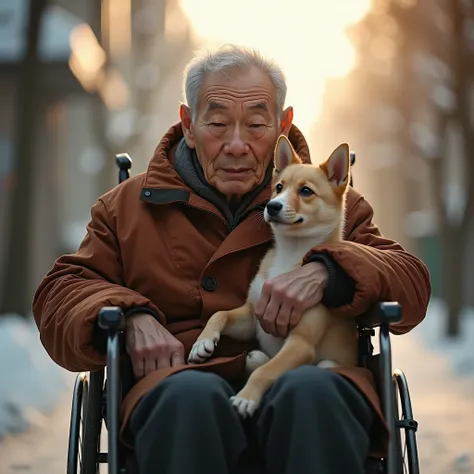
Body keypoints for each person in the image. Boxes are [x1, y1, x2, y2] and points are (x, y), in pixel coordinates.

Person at [33, 45, 431, 474]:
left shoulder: (327, 201)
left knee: (312, 394)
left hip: (312, 375)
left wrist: (330, 270)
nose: (237, 145)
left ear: (282, 124)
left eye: (257, 125)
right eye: (218, 124)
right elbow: (61, 292)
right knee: (190, 401)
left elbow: (410, 281)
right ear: (188, 125)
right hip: (180, 381)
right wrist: (130, 316)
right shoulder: (126, 208)